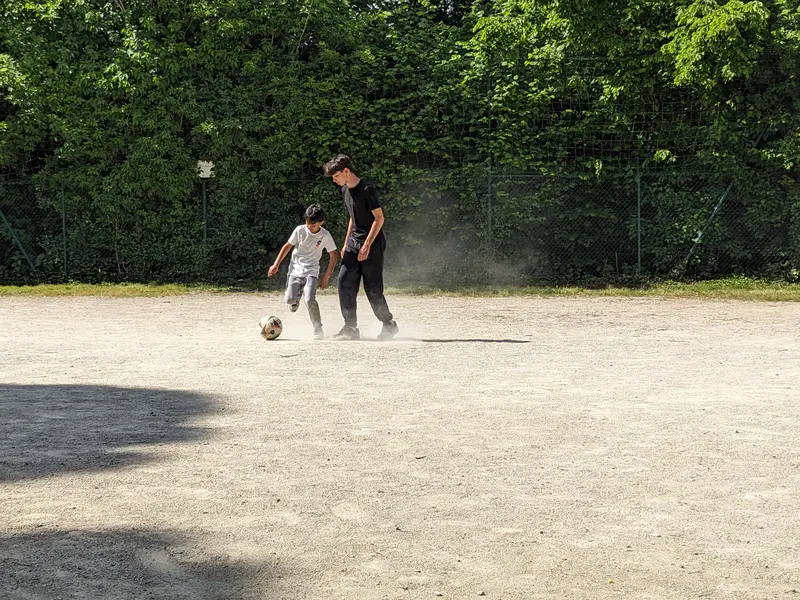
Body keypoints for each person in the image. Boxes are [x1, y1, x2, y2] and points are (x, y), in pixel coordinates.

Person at [322, 154, 399, 341]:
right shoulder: (345, 190)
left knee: (372, 288)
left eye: (336, 176)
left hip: (372, 245)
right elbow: (352, 217)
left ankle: (388, 324)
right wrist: (346, 242)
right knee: (344, 282)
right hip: (354, 244)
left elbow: (379, 218)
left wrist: (367, 244)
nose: (334, 180)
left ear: (346, 171)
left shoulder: (367, 190)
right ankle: (350, 327)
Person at [268, 204, 338, 340]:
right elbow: (288, 246)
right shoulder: (300, 230)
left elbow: (333, 254)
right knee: (289, 300)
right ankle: (295, 298)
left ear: (321, 222)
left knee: (310, 299)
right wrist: (276, 264)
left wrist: (327, 276)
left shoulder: (325, 235)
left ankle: (318, 328)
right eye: (307, 223)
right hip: (295, 269)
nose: (309, 227)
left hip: (312, 270)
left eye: (313, 225)